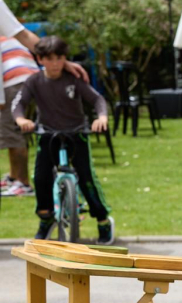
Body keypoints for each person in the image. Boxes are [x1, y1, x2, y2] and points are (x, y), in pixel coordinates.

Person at [13, 36, 113, 243]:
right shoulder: (34, 81)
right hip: (48, 135)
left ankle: (103, 220)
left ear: (65, 58)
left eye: (59, 58)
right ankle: (46, 218)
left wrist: (101, 118)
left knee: (87, 179)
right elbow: (19, 104)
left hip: (76, 134)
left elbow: (97, 99)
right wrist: (22, 119)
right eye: (49, 59)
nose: (55, 63)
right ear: (40, 59)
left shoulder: (74, 78)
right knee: (40, 178)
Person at [0, 36, 38, 197]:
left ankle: (23, 183)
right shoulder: (8, 37)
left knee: (11, 130)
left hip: (14, 82)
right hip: (34, 80)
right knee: (18, 130)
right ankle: (14, 177)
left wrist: (0, 99)